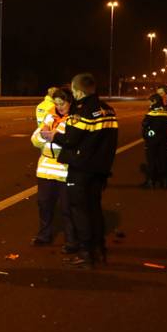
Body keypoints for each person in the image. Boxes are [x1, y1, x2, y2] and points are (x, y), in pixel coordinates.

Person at [41, 73, 118, 268]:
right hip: (100, 170)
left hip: (81, 169)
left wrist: (53, 136)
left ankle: (86, 253)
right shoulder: (108, 110)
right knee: (95, 210)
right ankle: (99, 250)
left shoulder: (82, 111)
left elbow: (71, 139)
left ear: (77, 91)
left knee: (80, 211)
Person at [30, 88, 76, 253]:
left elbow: (71, 141)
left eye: (62, 103)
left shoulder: (75, 119)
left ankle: (71, 241)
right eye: (56, 103)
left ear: (70, 102)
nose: (59, 107)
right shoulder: (50, 116)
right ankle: (44, 235)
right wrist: (43, 136)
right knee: (44, 205)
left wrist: (54, 137)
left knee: (67, 208)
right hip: (45, 169)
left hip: (65, 171)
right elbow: (34, 139)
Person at [141, 93, 167, 189]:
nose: (150, 103)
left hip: (152, 140)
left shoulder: (153, 112)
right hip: (164, 139)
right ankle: (164, 182)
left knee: (151, 161)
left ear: (154, 101)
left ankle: (150, 182)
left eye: (151, 101)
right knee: (162, 160)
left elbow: (144, 123)